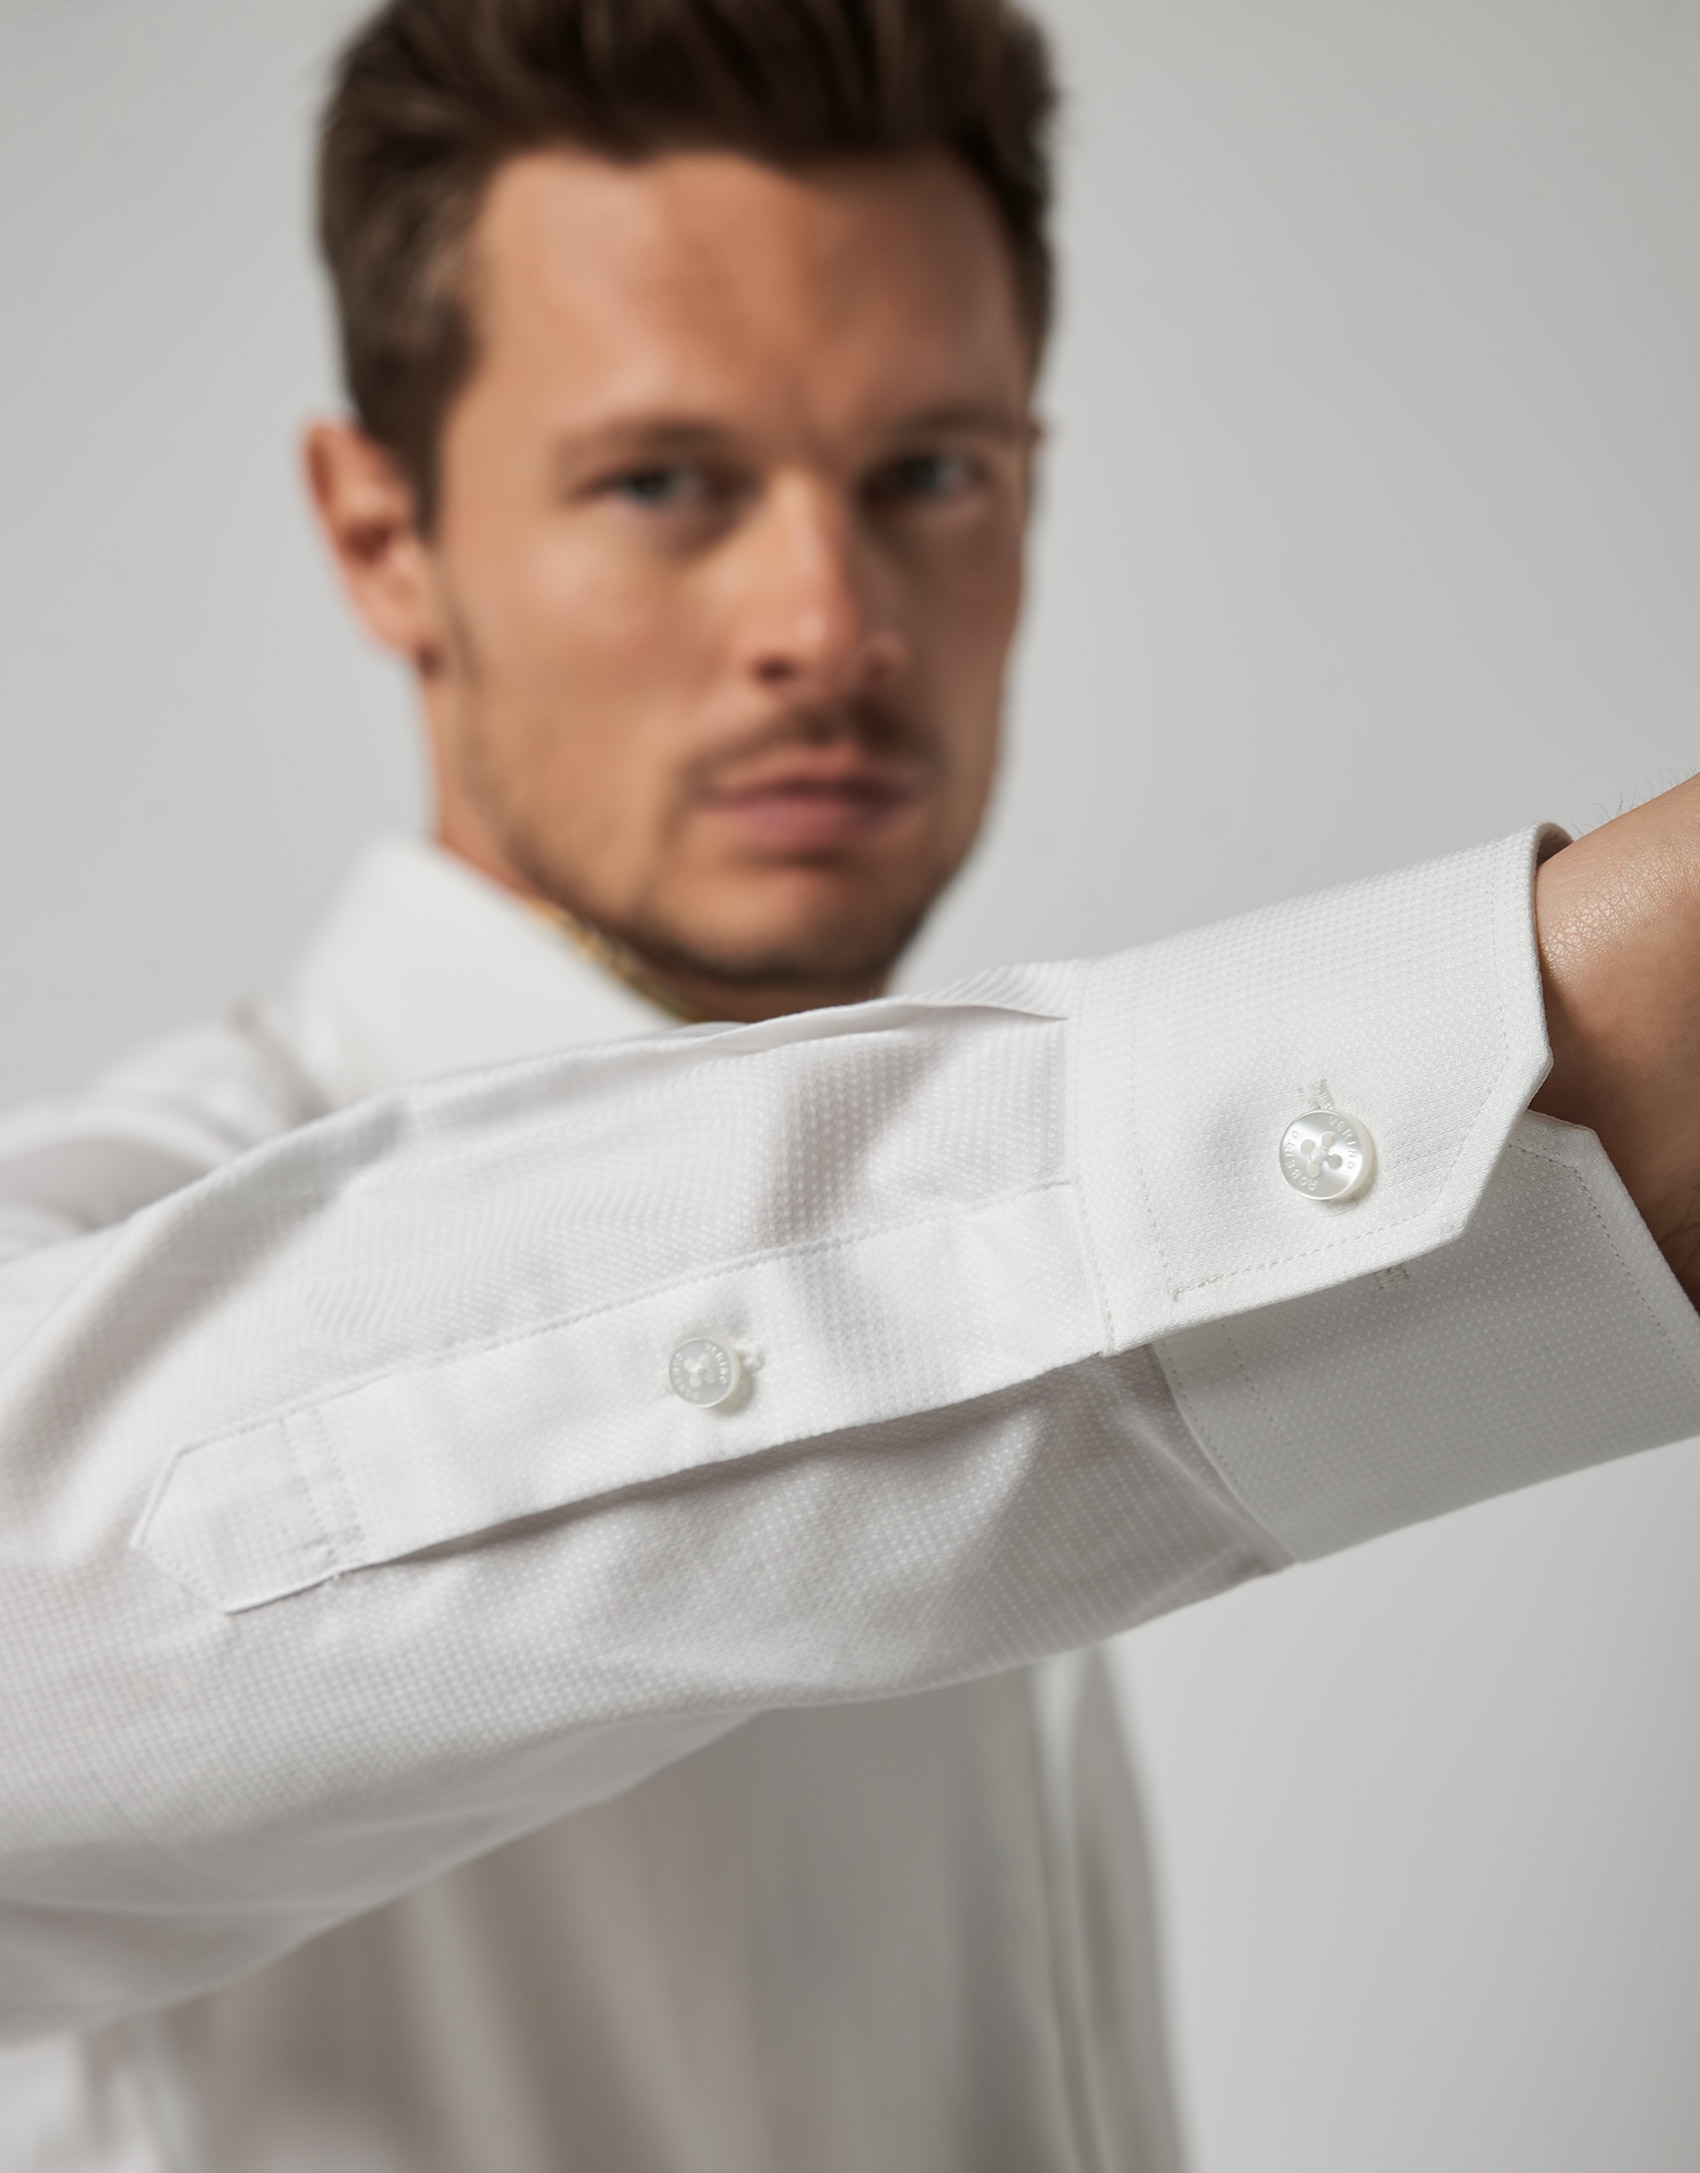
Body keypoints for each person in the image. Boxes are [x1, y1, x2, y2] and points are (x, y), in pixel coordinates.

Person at [2, 0, 1698, 2166]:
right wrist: (1556, 1037)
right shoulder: (132, 1247)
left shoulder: (952, 1249)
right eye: (665, 484)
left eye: (926, 476)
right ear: (378, 534)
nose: (829, 618)